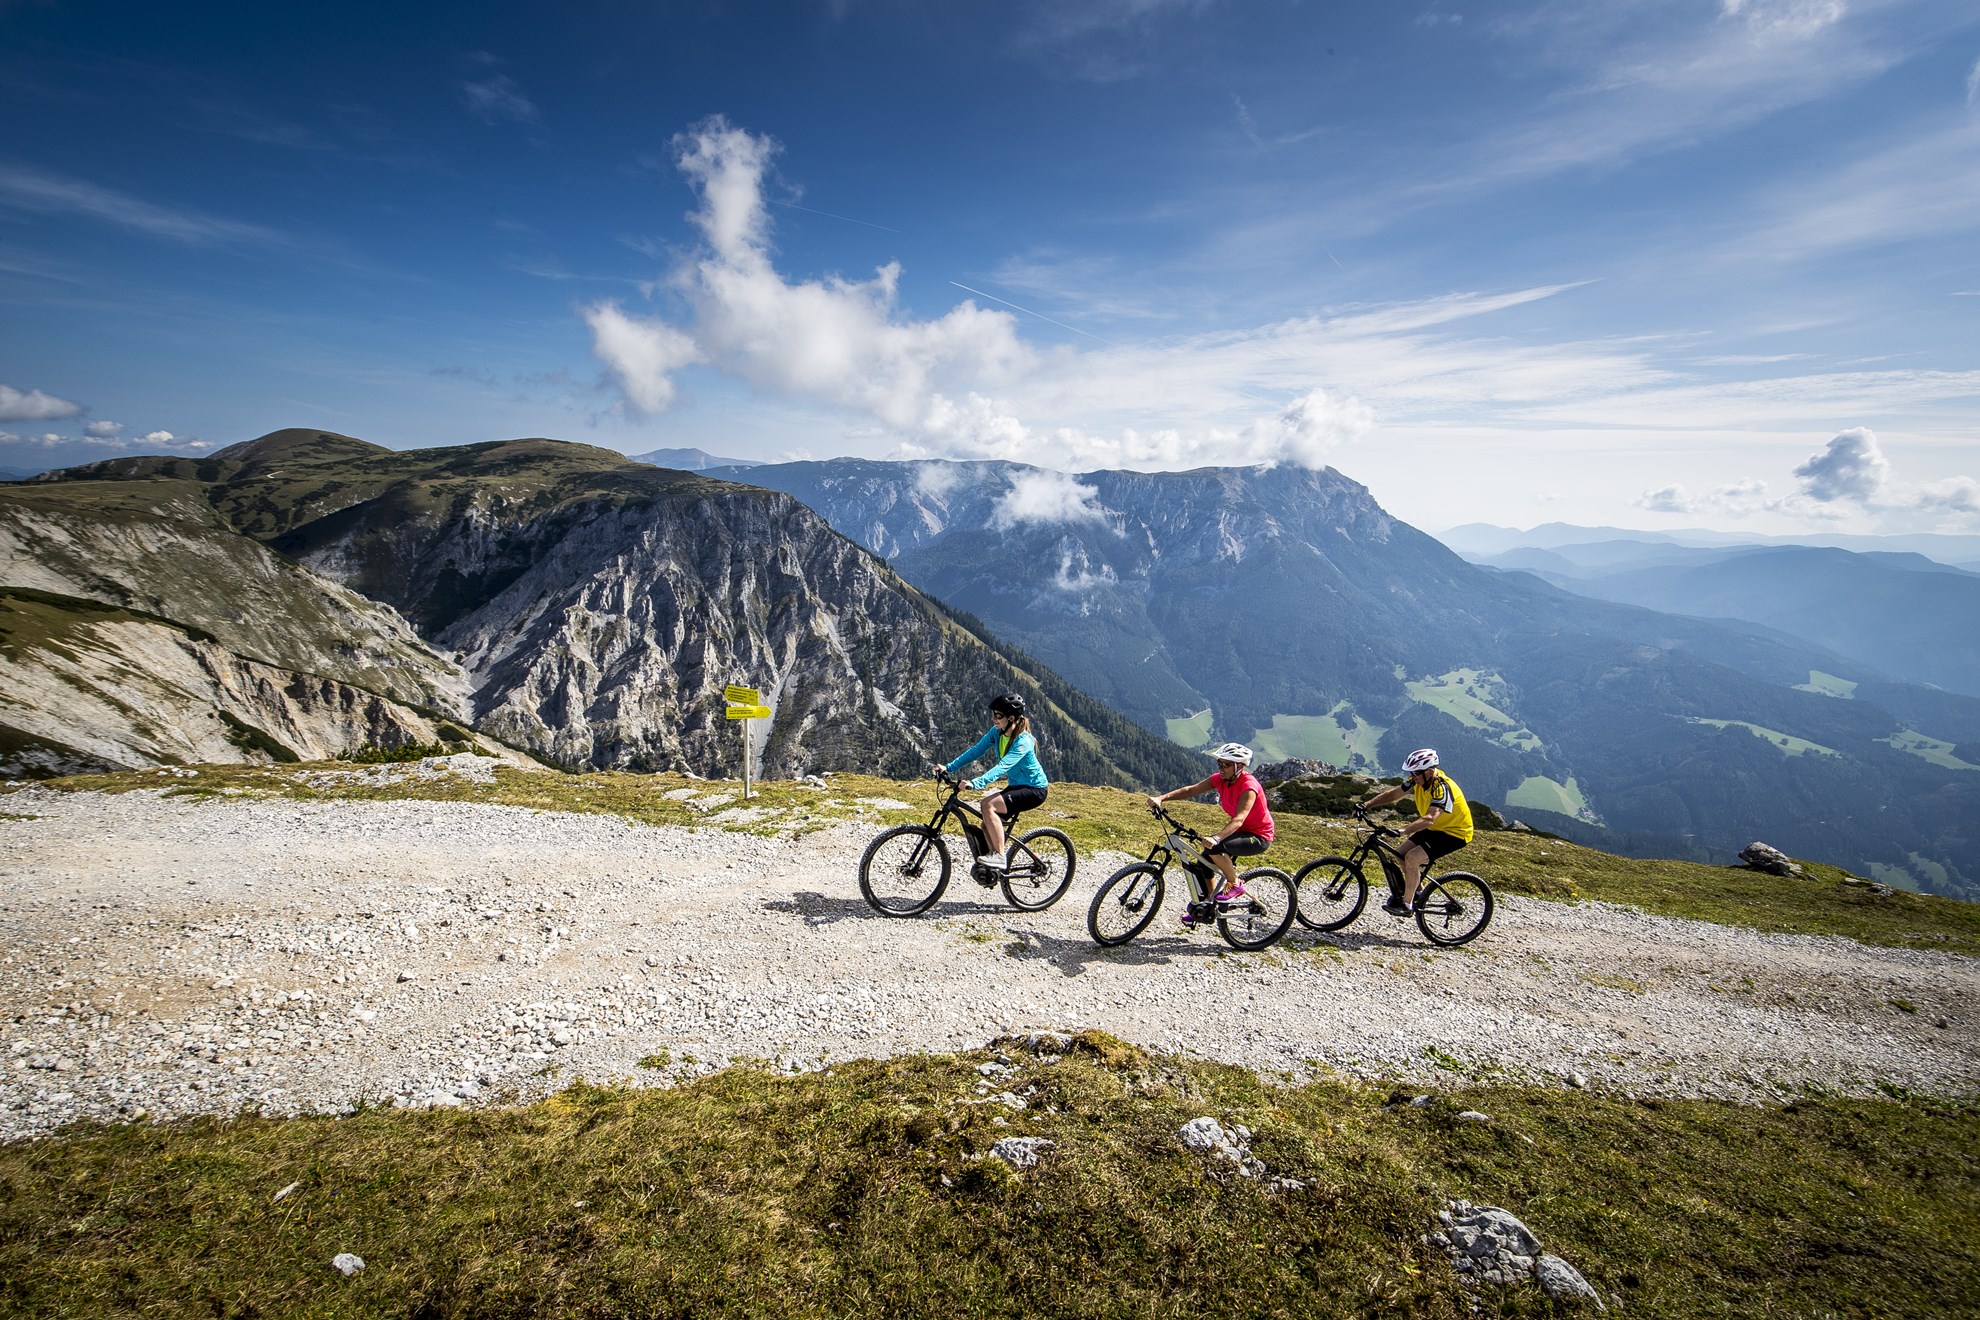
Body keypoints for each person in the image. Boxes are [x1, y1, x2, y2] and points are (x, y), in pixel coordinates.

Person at [1146, 742, 1274, 922]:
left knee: (1216, 847)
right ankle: (1205, 907)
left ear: (1239, 766)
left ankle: (1235, 884)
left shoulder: (1249, 787)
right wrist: (1162, 798)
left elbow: (1239, 819)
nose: (1221, 768)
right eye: (1219, 764)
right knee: (1203, 863)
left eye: (1226, 764)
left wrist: (1217, 837)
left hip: (1258, 836)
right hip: (1238, 832)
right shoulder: (1219, 780)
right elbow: (1192, 790)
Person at [933, 693, 1049, 870]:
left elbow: (1002, 767)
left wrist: (976, 783)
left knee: (988, 805)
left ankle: (1000, 857)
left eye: (998, 716)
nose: (994, 719)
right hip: (1017, 786)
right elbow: (976, 751)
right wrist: (949, 767)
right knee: (986, 823)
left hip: (1034, 789)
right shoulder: (997, 733)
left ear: (1011, 718)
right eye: (994, 714)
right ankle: (991, 868)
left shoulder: (1023, 741)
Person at [1358, 747, 1474, 916]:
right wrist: (1366, 804)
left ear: (1430, 771)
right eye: (1412, 773)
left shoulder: (1442, 788)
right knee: (1400, 853)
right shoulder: (1417, 780)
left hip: (1455, 833)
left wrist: (1402, 831)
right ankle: (1418, 892)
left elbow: (1429, 818)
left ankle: (1407, 904)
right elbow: (1393, 794)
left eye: (1417, 773)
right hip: (1436, 829)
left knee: (1412, 858)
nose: (1414, 777)